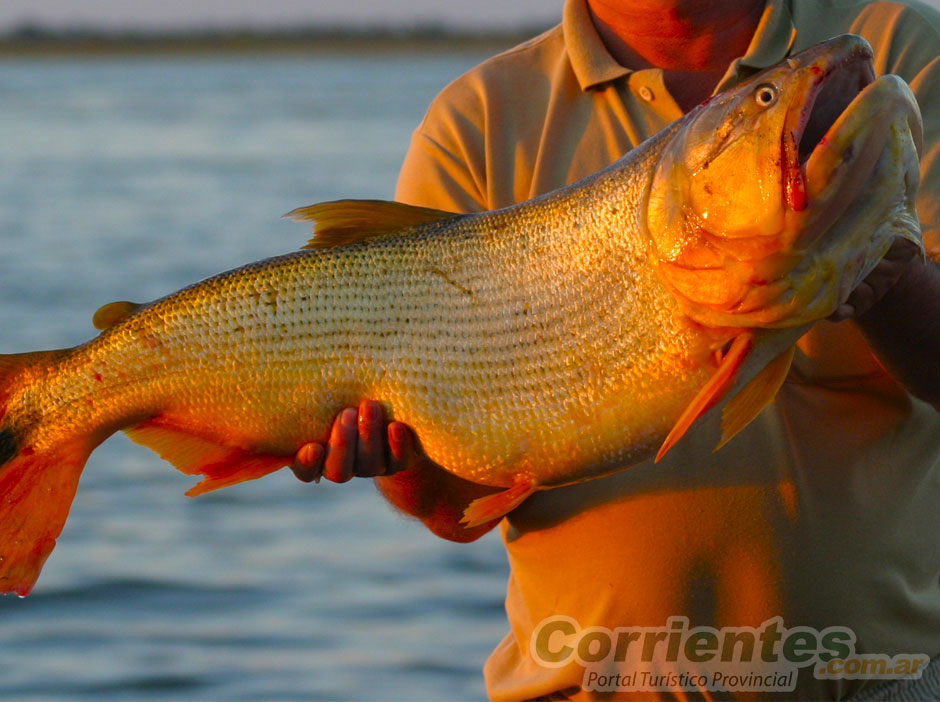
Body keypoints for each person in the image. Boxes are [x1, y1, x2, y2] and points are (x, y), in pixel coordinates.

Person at [292, 1, 940, 699]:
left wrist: (881, 261)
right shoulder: (477, 117)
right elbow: (455, 507)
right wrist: (395, 461)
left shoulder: (895, 43)